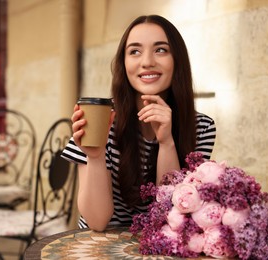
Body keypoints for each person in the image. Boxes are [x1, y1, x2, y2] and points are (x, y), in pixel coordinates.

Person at [61, 15, 216, 231]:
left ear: (177, 59)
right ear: (124, 64)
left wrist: (166, 143)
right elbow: (97, 222)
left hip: (162, 246)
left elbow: (170, 217)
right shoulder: (99, 117)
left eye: (160, 50)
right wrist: (95, 157)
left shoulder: (201, 127)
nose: (147, 62)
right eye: (134, 51)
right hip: (100, 246)